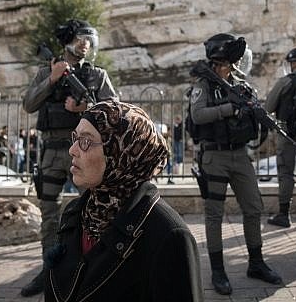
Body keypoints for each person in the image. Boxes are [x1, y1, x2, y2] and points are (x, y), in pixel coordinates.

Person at [42, 100, 203, 301]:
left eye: (86, 141)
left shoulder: (168, 236)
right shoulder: (75, 214)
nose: (72, 150)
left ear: (121, 152)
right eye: (75, 138)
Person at [21, 18, 117, 297]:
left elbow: (115, 109)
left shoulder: (97, 75)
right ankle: (47, 271)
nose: (85, 45)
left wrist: (87, 107)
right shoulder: (46, 71)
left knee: (93, 210)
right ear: (66, 42)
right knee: (49, 213)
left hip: (85, 149)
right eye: (79, 39)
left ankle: (92, 268)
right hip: (52, 150)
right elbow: (28, 104)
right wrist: (52, 79)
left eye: (89, 40)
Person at [189, 33, 282, 295]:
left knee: (253, 207)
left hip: (240, 156)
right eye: (235, 59)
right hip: (214, 157)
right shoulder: (204, 85)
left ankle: (256, 263)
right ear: (223, 60)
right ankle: (218, 270)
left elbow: (252, 111)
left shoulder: (242, 85)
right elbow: (197, 115)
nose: (239, 64)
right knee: (215, 215)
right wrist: (230, 108)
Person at [264, 47, 296, 227]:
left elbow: (268, 107)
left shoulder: (285, 81)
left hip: (287, 135)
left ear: (293, 63)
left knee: (286, 174)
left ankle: (284, 214)